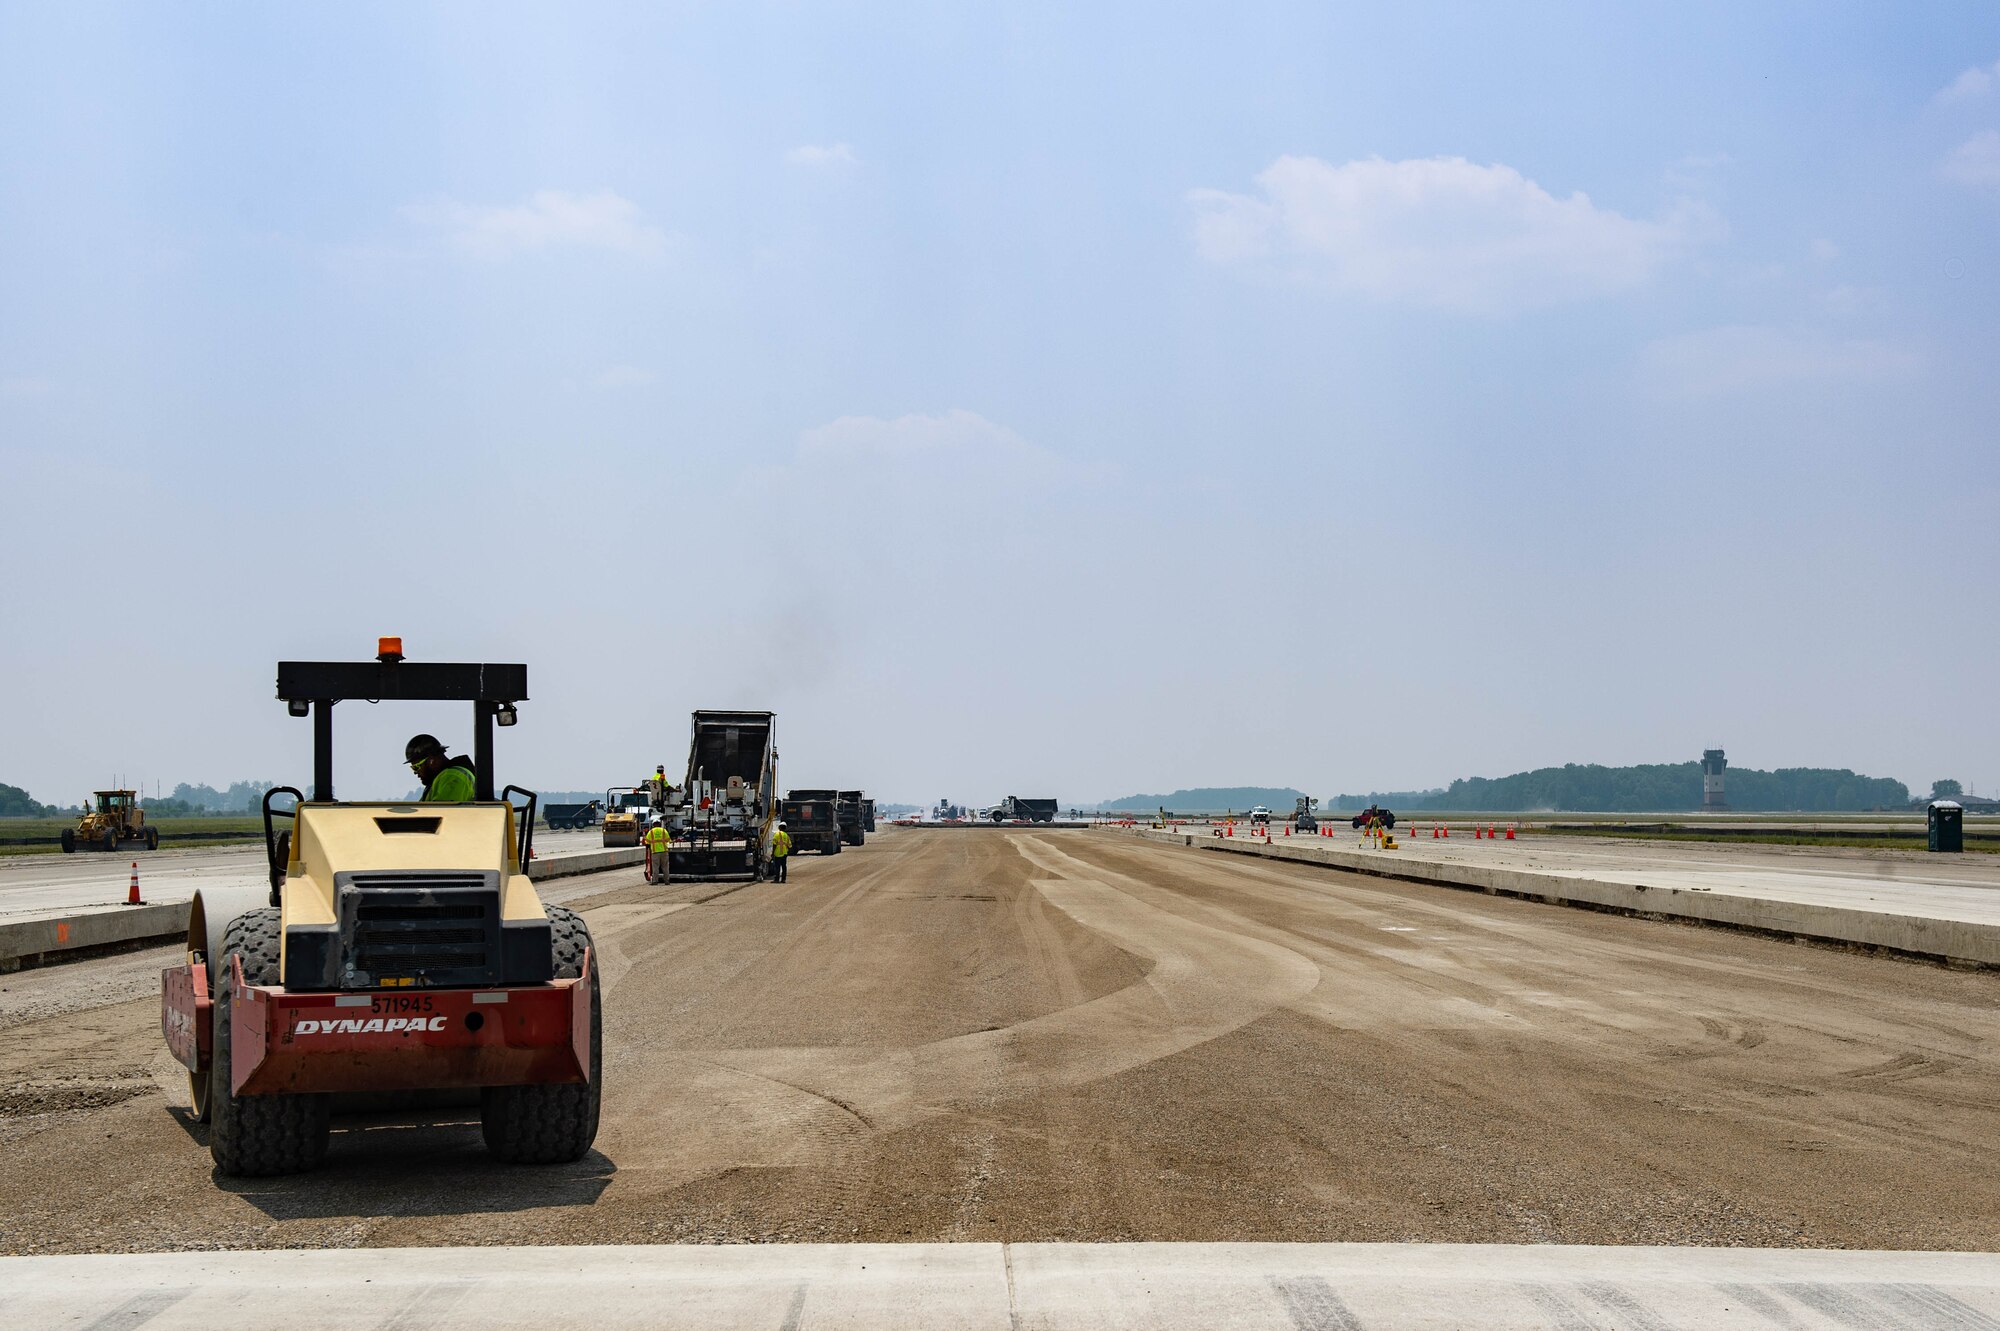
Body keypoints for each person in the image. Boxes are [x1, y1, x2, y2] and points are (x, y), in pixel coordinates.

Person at [406, 734, 475, 802]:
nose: (415, 772)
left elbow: (445, 812)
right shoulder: (438, 781)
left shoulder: (452, 776)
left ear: (431, 761)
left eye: (416, 767)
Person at [642, 818, 672, 884]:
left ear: (653, 824)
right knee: (665, 867)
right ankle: (667, 881)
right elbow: (668, 840)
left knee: (655, 867)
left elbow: (647, 842)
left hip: (655, 852)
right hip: (664, 851)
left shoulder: (651, 832)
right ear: (660, 824)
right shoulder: (664, 831)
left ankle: (655, 881)